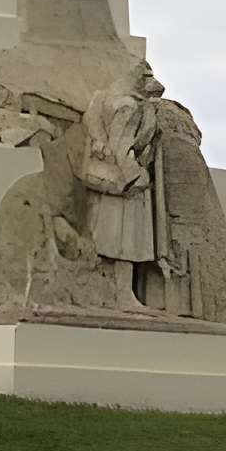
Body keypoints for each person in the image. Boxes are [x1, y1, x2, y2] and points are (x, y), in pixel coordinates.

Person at [78, 60, 167, 307]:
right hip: (125, 188)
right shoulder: (128, 106)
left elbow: (91, 123)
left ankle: (114, 294)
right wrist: (136, 176)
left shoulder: (103, 98)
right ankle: (123, 295)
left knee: (110, 241)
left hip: (107, 183)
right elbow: (121, 146)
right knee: (125, 243)